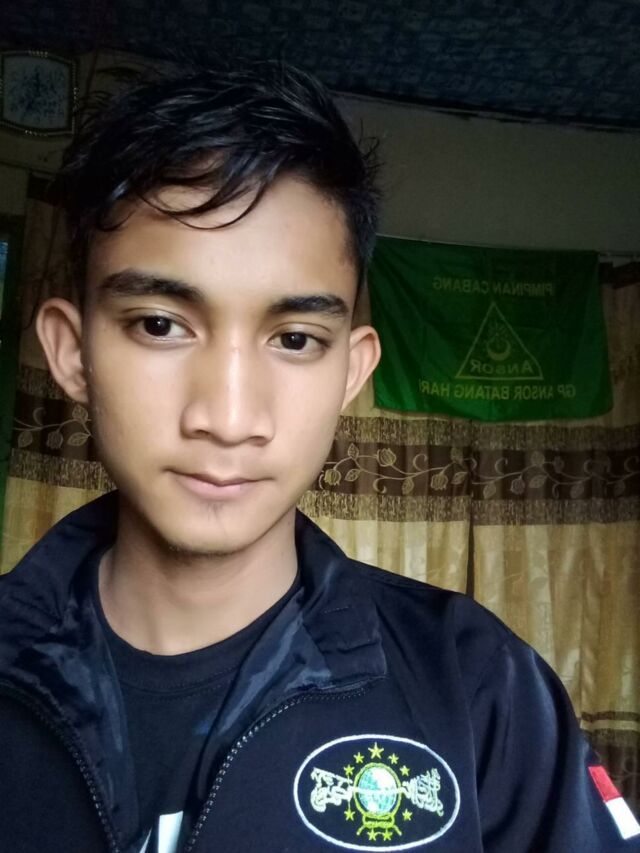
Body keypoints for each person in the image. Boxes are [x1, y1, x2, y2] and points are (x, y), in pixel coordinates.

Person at [0, 60, 638, 853]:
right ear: (72, 353)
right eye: (161, 324)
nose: (229, 418)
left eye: (296, 338)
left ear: (351, 372)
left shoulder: (479, 685)